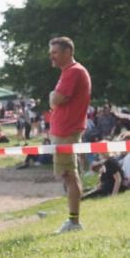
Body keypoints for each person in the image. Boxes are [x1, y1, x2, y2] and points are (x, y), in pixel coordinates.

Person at [47, 37, 91, 233]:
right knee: (68, 175)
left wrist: (52, 97)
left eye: (55, 52)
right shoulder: (69, 71)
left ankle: (74, 222)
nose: (52, 56)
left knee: (69, 175)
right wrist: (53, 98)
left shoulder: (73, 72)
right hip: (64, 131)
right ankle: (73, 220)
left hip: (66, 132)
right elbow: (55, 100)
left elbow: (56, 98)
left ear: (68, 52)